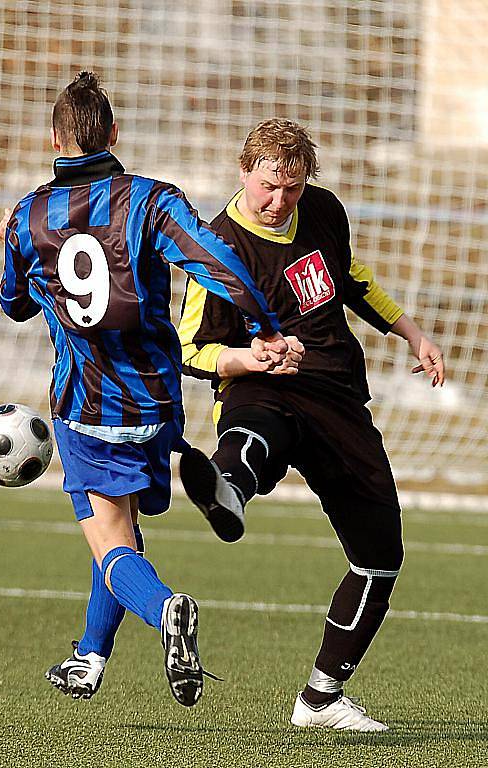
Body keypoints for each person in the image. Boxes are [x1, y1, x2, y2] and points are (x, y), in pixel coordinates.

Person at [0, 74, 292, 708]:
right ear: (115, 134)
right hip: (157, 404)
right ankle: (87, 659)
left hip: (85, 408)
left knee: (108, 542)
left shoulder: (28, 216)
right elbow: (218, 262)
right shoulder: (152, 200)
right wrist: (265, 326)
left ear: (55, 137)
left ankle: (167, 613)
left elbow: (14, 305)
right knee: (123, 533)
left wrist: (16, 245)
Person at [177, 119, 445, 730]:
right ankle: (227, 490)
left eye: (292, 188)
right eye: (270, 186)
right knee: (260, 433)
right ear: (244, 171)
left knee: (381, 557)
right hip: (260, 384)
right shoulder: (213, 248)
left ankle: (320, 700)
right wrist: (254, 357)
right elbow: (189, 347)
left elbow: (353, 281)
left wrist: (411, 330)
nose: (279, 202)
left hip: (337, 395)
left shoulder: (323, 212)